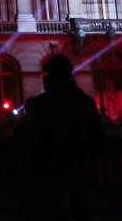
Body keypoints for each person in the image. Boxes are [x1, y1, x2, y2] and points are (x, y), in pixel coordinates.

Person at [15, 53, 103, 221]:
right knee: (81, 209)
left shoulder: (37, 105)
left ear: (49, 75)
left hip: (47, 170)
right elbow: (97, 137)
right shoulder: (85, 102)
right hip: (78, 167)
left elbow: (22, 138)